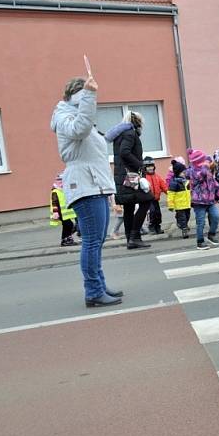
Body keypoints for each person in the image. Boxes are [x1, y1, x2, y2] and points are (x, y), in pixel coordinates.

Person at [50, 75, 122, 307]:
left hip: (93, 185)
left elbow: (91, 142)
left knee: (97, 240)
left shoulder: (78, 116)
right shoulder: (65, 116)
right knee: (92, 241)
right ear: (77, 96)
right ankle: (93, 291)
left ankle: (99, 286)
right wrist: (90, 94)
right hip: (84, 186)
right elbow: (79, 130)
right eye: (87, 96)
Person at [106, 111, 153, 250]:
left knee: (129, 207)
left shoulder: (120, 135)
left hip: (122, 176)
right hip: (130, 177)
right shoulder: (130, 134)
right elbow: (125, 152)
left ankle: (130, 239)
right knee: (146, 201)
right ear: (137, 121)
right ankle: (135, 236)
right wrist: (140, 165)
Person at [187, 148, 219, 250]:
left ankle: (211, 234)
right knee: (201, 222)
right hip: (199, 201)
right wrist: (205, 166)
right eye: (202, 160)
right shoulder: (192, 171)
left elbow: (213, 181)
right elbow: (200, 177)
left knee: (216, 216)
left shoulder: (206, 170)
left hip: (210, 200)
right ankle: (200, 241)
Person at [50, 172, 78, 247]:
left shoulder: (62, 190)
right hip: (59, 212)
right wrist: (55, 212)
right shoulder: (55, 191)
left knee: (69, 225)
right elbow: (54, 202)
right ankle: (65, 240)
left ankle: (68, 239)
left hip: (64, 212)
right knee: (68, 224)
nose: (61, 182)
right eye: (59, 180)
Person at [142, 156, 168, 235]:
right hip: (148, 199)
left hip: (156, 199)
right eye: (148, 167)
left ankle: (158, 227)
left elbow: (163, 186)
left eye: (151, 166)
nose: (150, 168)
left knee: (158, 213)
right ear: (145, 168)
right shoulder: (144, 177)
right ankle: (151, 226)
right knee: (152, 212)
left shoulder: (157, 176)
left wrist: (169, 193)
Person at [167, 159, 192, 239]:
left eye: (185, 172)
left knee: (187, 216)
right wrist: (170, 205)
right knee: (183, 217)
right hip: (179, 205)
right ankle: (184, 229)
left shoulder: (186, 181)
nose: (184, 173)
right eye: (183, 172)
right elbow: (171, 194)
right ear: (178, 173)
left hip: (187, 204)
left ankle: (181, 223)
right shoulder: (174, 183)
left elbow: (190, 192)